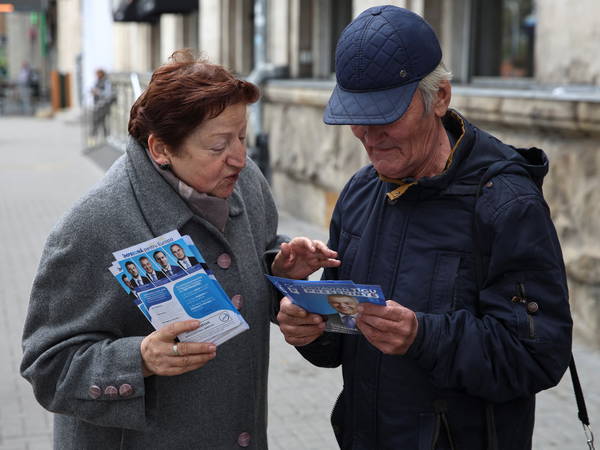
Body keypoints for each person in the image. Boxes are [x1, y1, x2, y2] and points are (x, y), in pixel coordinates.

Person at [276, 6, 573, 450]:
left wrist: (423, 336)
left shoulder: (506, 203)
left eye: (386, 115)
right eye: (357, 115)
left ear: (440, 98)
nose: (368, 135)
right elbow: (342, 339)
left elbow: (537, 356)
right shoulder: (360, 191)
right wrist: (308, 325)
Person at [21, 49, 338, 449]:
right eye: (218, 145)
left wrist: (282, 271)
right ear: (161, 150)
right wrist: (139, 358)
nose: (239, 158)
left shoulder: (247, 183)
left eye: (241, 136)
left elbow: (250, 262)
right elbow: (47, 366)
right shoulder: (92, 226)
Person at [91, 68, 113, 137]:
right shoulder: (98, 81)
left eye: (97, 74)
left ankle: (103, 135)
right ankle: (97, 135)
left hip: (104, 105)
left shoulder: (106, 81)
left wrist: (98, 92)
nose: (96, 76)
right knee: (98, 120)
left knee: (102, 121)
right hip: (98, 105)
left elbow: (108, 93)